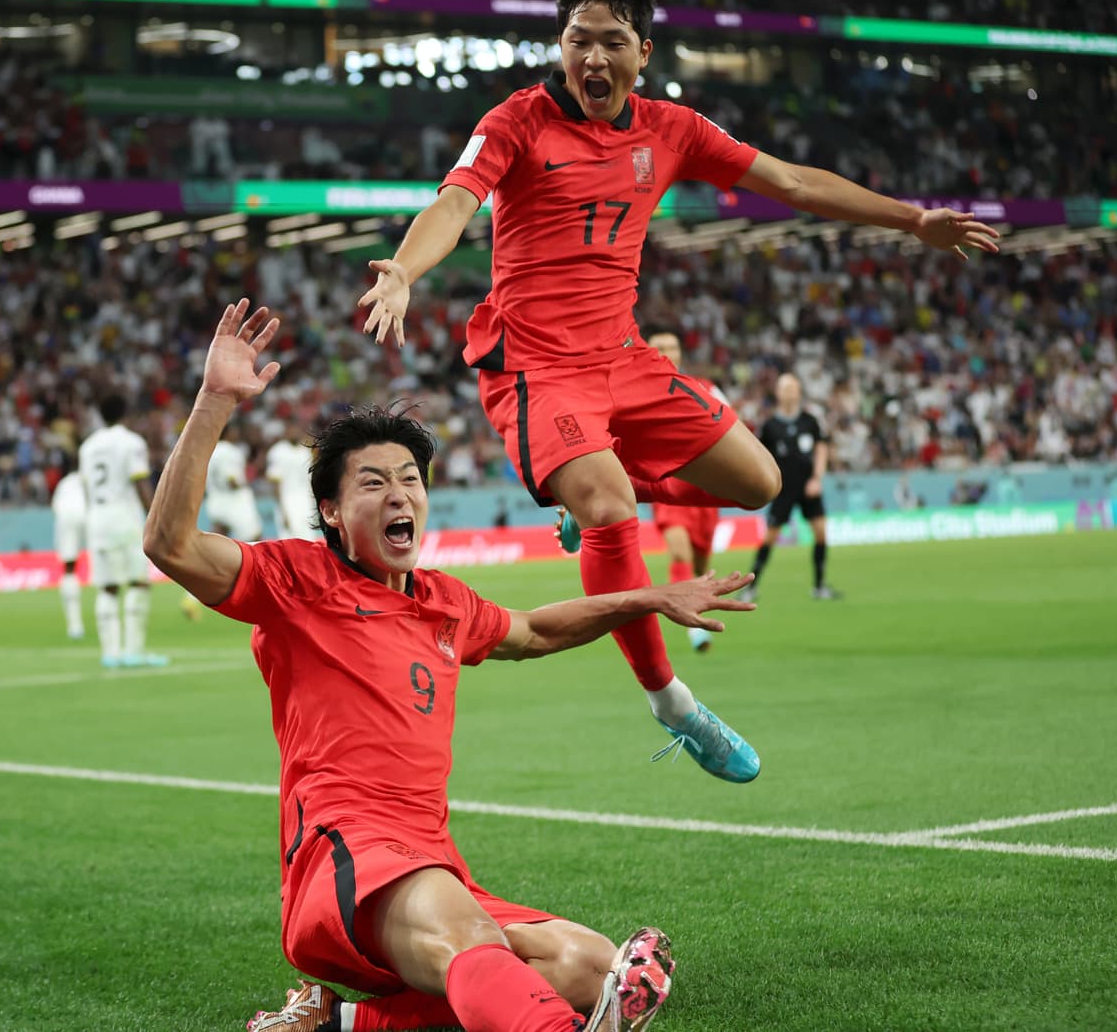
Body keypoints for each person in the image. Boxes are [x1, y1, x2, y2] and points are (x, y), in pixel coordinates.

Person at [357, 0, 998, 781]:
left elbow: (792, 182)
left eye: (612, 41)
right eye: (578, 39)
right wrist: (404, 271)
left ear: (644, 52)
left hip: (624, 358)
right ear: (560, 44)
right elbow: (454, 202)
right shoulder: (517, 121)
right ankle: (673, 701)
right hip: (539, 368)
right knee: (611, 507)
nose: (593, 57)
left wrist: (912, 221)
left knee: (761, 481)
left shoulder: (671, 130)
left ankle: (593, 495)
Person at [143, 299, 759, 1032]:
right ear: (332, 512)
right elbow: (170, 545)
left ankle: (337, 1022)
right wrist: (215, 401)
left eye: (410, 479)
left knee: (591, 967)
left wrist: (649, 597)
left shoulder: (443, 601)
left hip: (434, 860)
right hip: (347, 853)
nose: (399, 494)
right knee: (473, 944)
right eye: (373, 482)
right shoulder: (297, 580)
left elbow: (535, 630)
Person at [639, 329, 725, 653]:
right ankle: (693, 628)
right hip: (665, 487)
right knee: (679, 552)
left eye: (672, 346)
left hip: (702, 489)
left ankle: (697, 606)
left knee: (701, 564)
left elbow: (733, 429)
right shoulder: (634, 392)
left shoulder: (705, 389)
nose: (666, 352)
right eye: (659, 346)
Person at [79, 394, 168, 669]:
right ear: (126, 414)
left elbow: (86, 487)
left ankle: (110, 653)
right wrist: (157, 518)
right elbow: (140, 482)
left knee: (107, 587)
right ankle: (133, 652)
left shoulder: (88, 446)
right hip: (124, 519)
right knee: (138, 582)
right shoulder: (132, 442)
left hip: (97, 518)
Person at [744, 374, 839, 601]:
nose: (789, 392)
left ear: (799, 392)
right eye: (785, 388)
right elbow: (759, 456)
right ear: (778, 392)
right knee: (770, 537)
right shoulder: (770, 426)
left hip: (808, 487)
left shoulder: (810, 421)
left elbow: (822, 449)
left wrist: (817, 478)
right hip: (782, 489)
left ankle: (819, 586)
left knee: (821, 533)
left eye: (793, 388)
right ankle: (750, 587)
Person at [50, 462, 87, 640]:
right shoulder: (88, 477)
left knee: (69, 568)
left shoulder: (64, 483)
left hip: (66, 516)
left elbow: (55, 507)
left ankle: (75, 626)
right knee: (104, 568)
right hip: (88, 512)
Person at [265, 421, 318, 539]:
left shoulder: (305, 451)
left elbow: (309, 480)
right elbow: (275, 483)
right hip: (287, 501)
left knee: (308, 539)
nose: (294, 432)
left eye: (296, 430)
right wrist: (282, 509)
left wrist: (313, 503)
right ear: (286, 431)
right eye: (291, 430)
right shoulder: (277, 451)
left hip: (305, 502)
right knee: (289, 540)